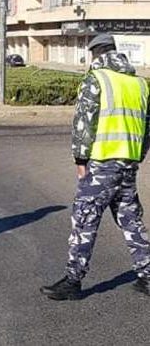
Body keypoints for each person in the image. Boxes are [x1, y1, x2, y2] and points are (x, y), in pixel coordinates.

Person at [41, 33, 150, 300]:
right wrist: (136, 157)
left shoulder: (96, 79)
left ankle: (73, 281)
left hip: (102, 165)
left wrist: (80, 159)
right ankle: (148, 275)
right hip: (128, 165)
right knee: (131, 221)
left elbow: (83, 123)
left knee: (84, 219)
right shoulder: (140, 84)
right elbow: (147, 129)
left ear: (96, 54)